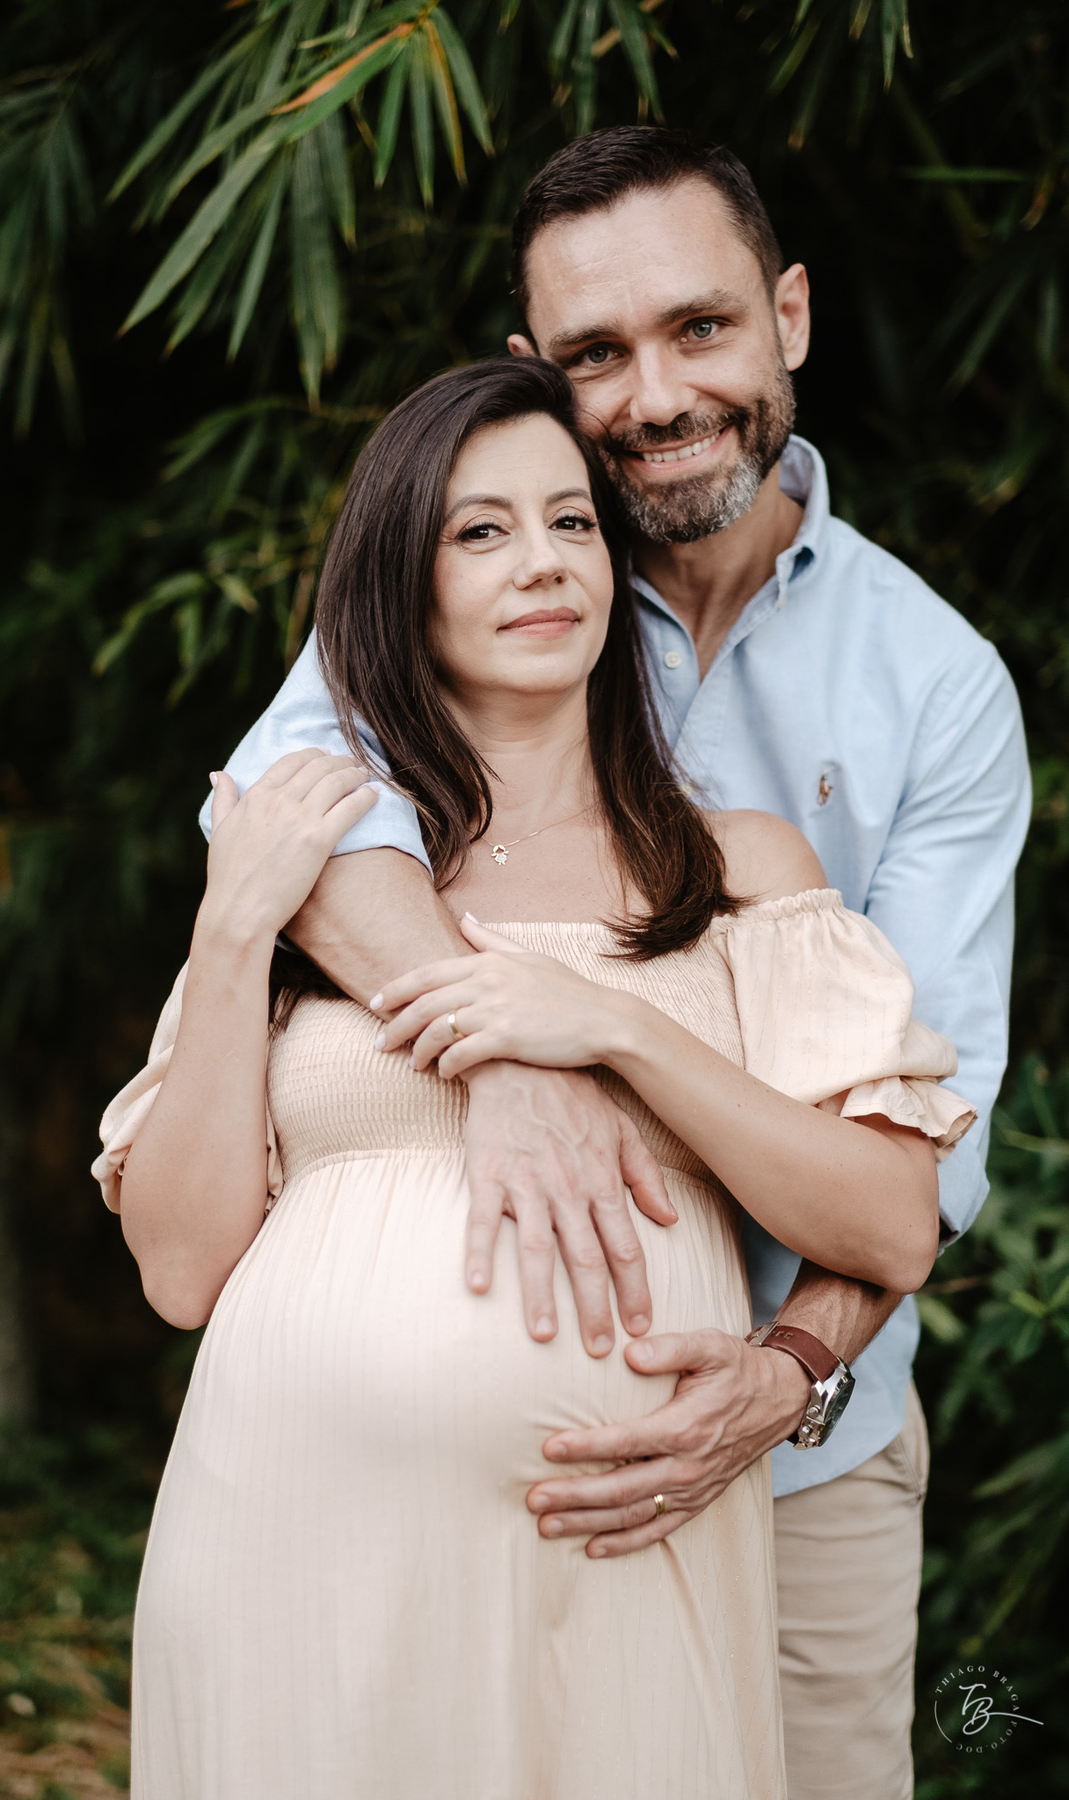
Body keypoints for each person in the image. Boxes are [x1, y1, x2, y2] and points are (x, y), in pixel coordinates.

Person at [201, 128, 1031, 1798]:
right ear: (538, 368)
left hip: (801, 1449)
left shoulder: (936, 686)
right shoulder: (482, 582)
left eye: (700, 328)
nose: (654, 396)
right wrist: (508, 1052)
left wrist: (788, 1375)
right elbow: (279, 814)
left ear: (791, 316)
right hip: (424, 1487)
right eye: (596, 353)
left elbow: (922, 1156)